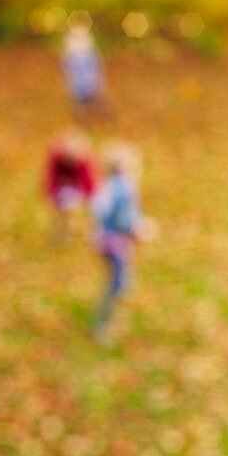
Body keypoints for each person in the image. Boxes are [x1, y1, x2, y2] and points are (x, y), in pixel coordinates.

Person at [88, 141, 154, 342]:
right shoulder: (125, 189)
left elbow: (98, 211)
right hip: (117, 242)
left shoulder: (107, 185)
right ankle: (104, 326)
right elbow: (126, 219)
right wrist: (140, 229)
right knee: (117, 285)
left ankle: (111, 320)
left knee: (115, 280)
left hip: (103, 240)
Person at [44, 129, 98, 243]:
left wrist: (89, 197)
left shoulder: (83, 162)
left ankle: (87, 231)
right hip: (63, 188)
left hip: (76, 187)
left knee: (88, 208)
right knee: (62, 210)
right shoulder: (57, 159)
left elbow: (87, 181)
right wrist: (50, 193)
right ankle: (61, 232)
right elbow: (52, 178)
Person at [61, 13, 109, 120]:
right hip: (78, 84)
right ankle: (84, 120)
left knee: (92, 102)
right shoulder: (71, 51)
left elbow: (97, 67)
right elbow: (68, 69)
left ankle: (94, 118)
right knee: (80, 105)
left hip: (90, 83)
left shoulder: (89, 49)